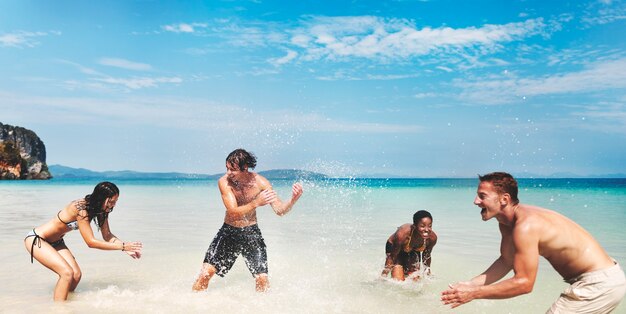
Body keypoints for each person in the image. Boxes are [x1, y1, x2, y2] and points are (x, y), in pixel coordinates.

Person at [441, 172, 626, 313]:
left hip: (598, 284)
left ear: (504, 199)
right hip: (603, 282)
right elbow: (506, 261)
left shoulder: (525, 226)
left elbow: (524, 283)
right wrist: (470, 285)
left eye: (482, 196)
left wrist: (473, 294)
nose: (475, 201)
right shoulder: (507, 224)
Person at [192, 149, 304, 292]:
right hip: (229, 232)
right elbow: (232, 212)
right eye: (227, 168)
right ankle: (193, 303)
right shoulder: (224, 182)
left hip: (251, 233)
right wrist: (255, 203)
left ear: (245, 168)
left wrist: (293, 200)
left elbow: (280, 210)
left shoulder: (261, 183)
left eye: (233, 169)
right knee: (205, 274)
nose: (228, 173)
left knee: (262, 279)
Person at [24, 181, 143, 301]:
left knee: (76, 275)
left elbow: (107, 235)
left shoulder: (100, 210)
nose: (113, 205)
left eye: (115, 202)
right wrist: (122, 246)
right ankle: (59, 310)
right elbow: (90, 242)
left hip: (57, 242)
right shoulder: (80, 208)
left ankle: (67, 303)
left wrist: (126, 248)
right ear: (102, 198)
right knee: (67, 274)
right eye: (111, 202)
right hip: (38, 239)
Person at [381, 210, 437, 281]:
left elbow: (426, 256)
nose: (427, 230)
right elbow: (392, 256)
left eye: (430, 226)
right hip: (395, 250)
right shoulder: (402, 235)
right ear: (414, 226)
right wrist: (383, 276)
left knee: (415, 280)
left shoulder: (432, 238)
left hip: (412, 251)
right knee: (398, 281)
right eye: (422, 226)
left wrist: (427, 272)